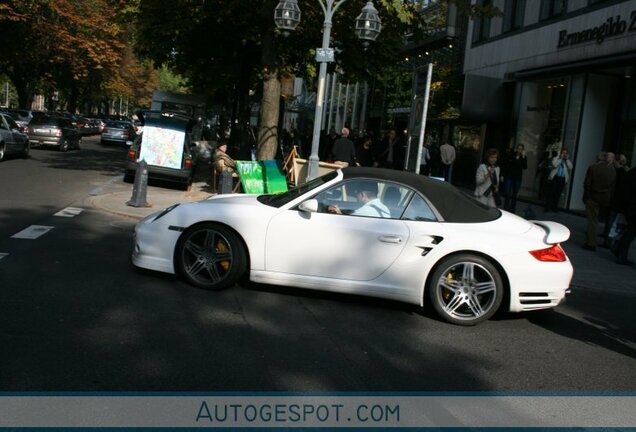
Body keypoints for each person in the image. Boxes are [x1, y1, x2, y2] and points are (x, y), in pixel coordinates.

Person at [582, 152, 616, 251]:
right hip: (604, 199)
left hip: (593, 197)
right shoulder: (612, 170)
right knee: (595, 220)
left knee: (592, 221)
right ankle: (591, 240)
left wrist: (586, 196)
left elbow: (587, 184)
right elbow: (612, 186)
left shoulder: (593, 168)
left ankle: (591, 243)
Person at [602, 154, 630, 248]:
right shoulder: (624, 172)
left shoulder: (618, 172)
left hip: (615, 200)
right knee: (613, 221)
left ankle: (608, 241)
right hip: (619, 201)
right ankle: (609, 240)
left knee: (611, 221)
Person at [614, 166, 636, 265]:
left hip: (630, 208)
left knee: (629, 233)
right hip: (632, 208)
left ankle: (619, 251)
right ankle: (620, 253)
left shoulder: (631, 173)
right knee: (630, 233)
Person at [544, 148, 573, 212]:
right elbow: (555, 165)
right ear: (560, 153)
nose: (564, 154)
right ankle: (547, 208)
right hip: (555, 178)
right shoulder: (556, 158)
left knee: (558, 194)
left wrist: (567, 159)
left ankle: (554, 207)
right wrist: (560, 159)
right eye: (563, 153)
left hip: (562, 179)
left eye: (565, 153)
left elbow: (571, 167)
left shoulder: (566, 161)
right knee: (551, 193)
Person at [502, 144, 527, 213]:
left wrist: (524, 157)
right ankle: (506, 209)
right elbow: (506, 165)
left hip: (517, 178)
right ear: (516, 149)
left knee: (514, 195)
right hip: (509, 177)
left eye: (521, 149)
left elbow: (525, 167)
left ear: (523, 150)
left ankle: (512, 210)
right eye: (518, 148)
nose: (519, 150)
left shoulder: (523, 157)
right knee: (507, 193)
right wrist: (503, 175)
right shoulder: (512, 155)